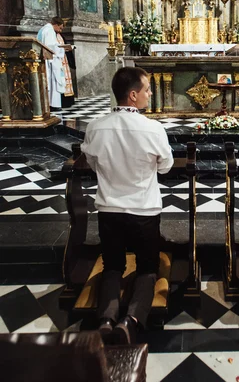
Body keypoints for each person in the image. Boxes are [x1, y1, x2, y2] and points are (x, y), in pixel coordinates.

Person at [81, 67, 174, 345]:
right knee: (147, 267)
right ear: (133, 95)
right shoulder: (153, 128)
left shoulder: (96, 126)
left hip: (109, 210)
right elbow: (166, 167)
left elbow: (92, 163)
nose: (150, 93)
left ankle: (106, 319)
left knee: (112, 265)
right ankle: (131, 320)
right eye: (146, 89)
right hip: (144, 210)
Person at [37, 17, 72, 111]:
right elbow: (51, 47)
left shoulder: (44, 29)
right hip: (50, 61)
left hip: (48, 60)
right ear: (56, 24)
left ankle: (51, 104)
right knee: (53, 83)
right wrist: (63, 49)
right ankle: (53, 105)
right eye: (60, 28)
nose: (60, 31)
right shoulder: (50, 31)